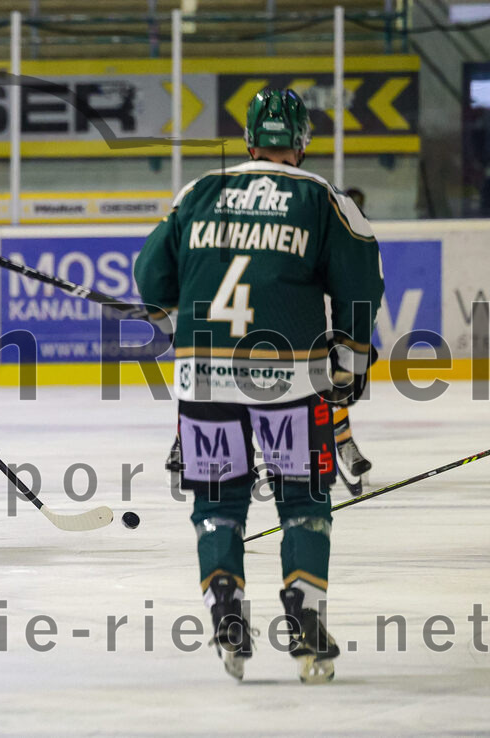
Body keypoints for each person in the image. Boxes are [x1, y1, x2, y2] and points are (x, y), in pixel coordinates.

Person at [134, 88, 384, 683]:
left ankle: (224, 606)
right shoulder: (323, 198)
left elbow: (150, 273)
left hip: (204, 378)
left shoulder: (197, 192)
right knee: (303, 497)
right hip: (289, 379)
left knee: (217, 501)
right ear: (301, 142)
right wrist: (349, 356)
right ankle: (304, 615)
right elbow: (361, 281)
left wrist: (166, 308)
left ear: (248, 141)